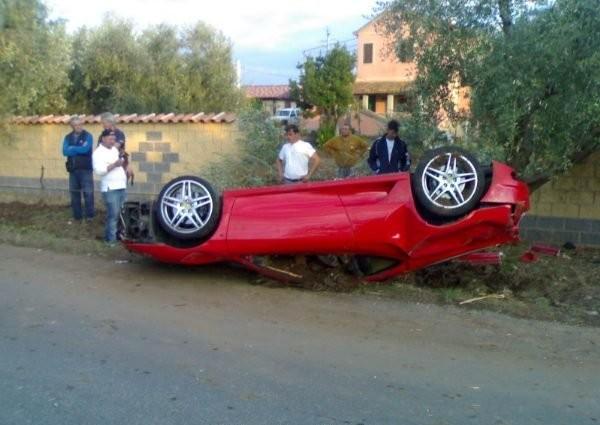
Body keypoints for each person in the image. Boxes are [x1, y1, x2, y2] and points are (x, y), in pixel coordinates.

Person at [93, 130, 127, 245]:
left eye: (114, 139)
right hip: (110, 188)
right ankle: (110, 240)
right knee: (113, 214)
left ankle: (118, 236)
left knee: (121, 213)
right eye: (110, 139)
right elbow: (99, 171)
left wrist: (122, 162)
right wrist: (114, 165)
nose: (113, 141)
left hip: (121, 185)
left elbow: (119, 163)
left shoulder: (114, 150)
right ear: (103, 138)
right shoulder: (97, 153)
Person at [62, 116, 95, 222]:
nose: (79, 127)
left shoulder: (88, 136)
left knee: (88, 193)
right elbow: (64, 151)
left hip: (86, 170)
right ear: (72, 126)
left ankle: (90, 216)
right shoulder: (67, 137)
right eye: (76, 125)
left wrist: (72, 148)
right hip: (73, 170)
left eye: (80, 124)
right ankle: (77, 216)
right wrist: (77, 149)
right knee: (74, 193)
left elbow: (85, 149)